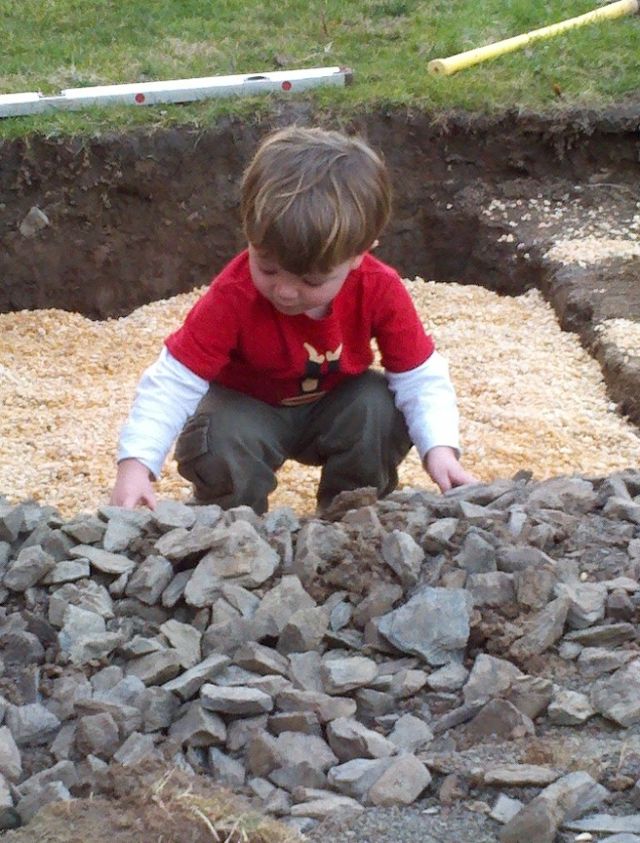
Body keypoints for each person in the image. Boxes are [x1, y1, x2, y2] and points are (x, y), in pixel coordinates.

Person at [110, 125, 476, 514]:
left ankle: (353, 517)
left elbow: (419, 375)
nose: (284, 291)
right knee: (219, 436)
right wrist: (136, 465)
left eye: (311, 280)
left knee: (379, 406)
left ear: (358, 256)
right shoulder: (234, 294)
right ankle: (232, 528)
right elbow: (174, 379)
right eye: (267, 268)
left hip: (335, 409)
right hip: (248, 410)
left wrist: (440, 449)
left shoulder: (378, 287)